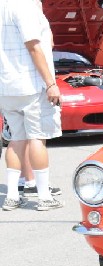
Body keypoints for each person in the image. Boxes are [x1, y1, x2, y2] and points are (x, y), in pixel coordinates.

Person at [0, 0, 64, 211]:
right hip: (30, 84)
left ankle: (11, 196)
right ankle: (44, 197)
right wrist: (51, 83)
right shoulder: (24, 7)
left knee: (16, 140)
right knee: (37, 138)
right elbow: (34, 47)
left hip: (7, 86)